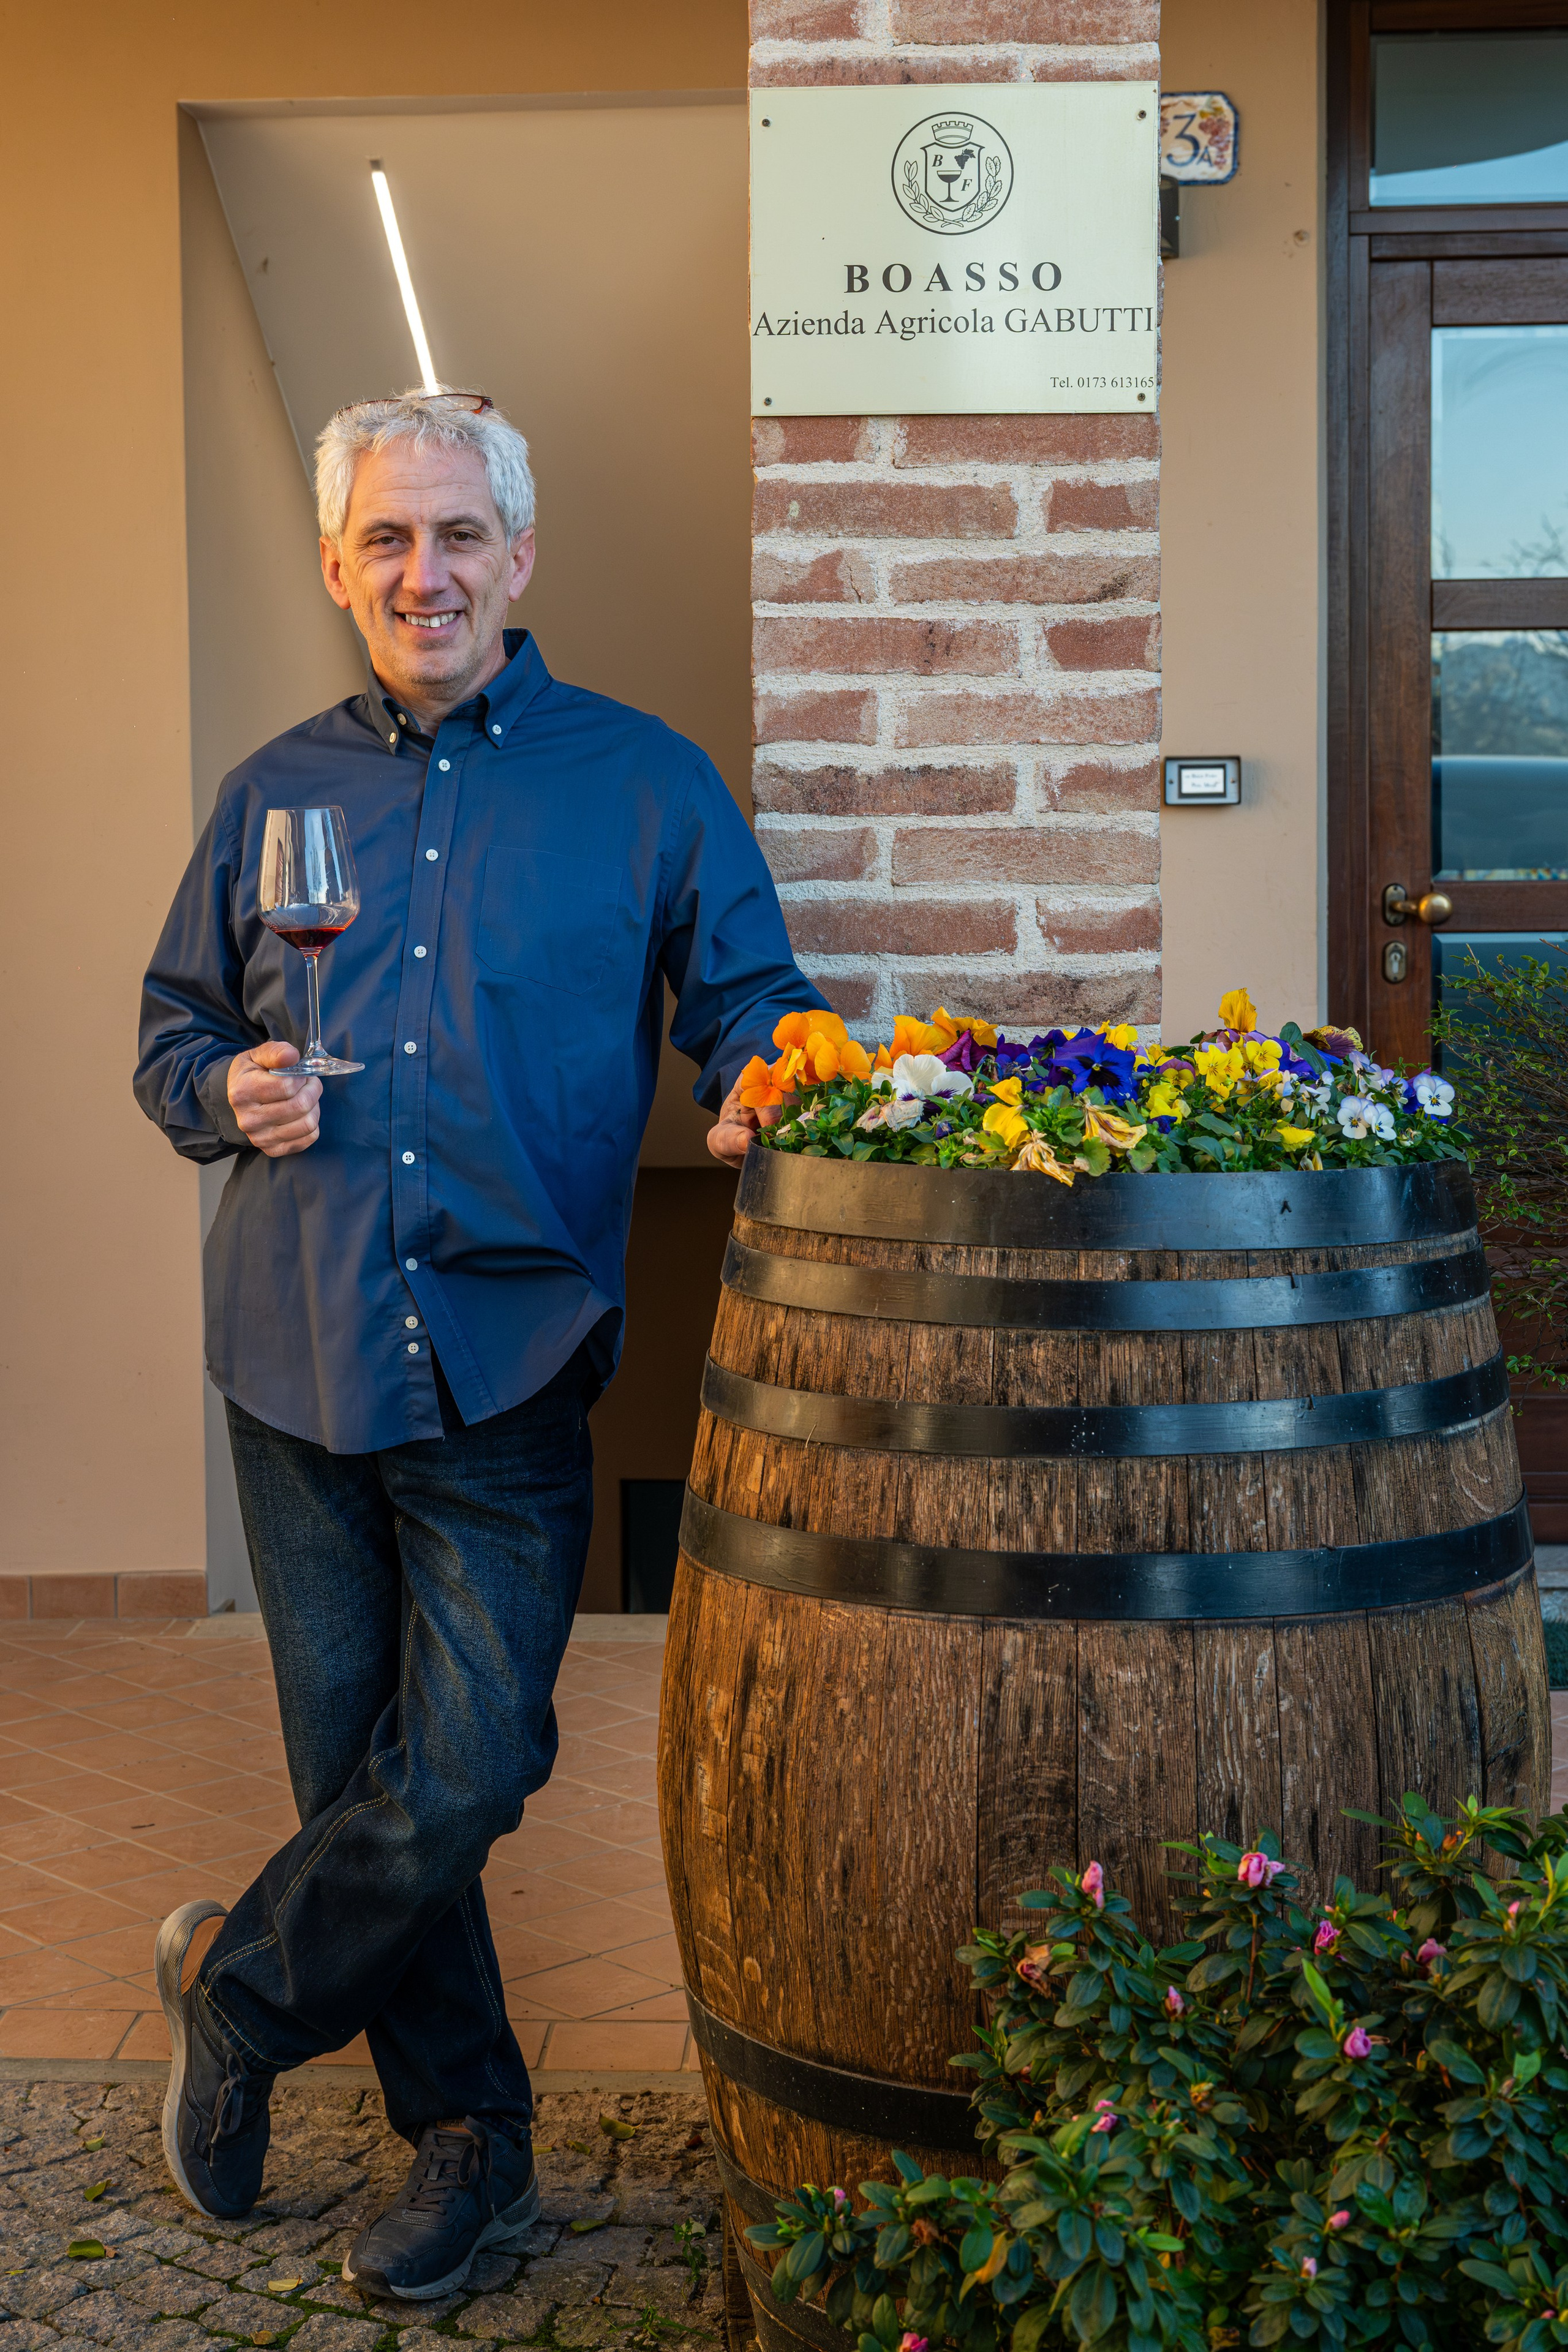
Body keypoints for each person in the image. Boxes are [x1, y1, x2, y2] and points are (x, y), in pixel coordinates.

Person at [134, 387, 823, 2299]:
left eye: (457, 538)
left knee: (467, 1763)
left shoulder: (644, 780)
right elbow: (172, 1025)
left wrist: (769, 1082)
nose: (421, 573)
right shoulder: (277, 790)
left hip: (511, 1350)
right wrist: (226, 1086)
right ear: (339, 566)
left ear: (520, 558)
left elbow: (757, 996)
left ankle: (238, 1997)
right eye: (385, 541)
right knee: (350, 1765)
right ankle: (470, 2145)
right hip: (289, 1344)